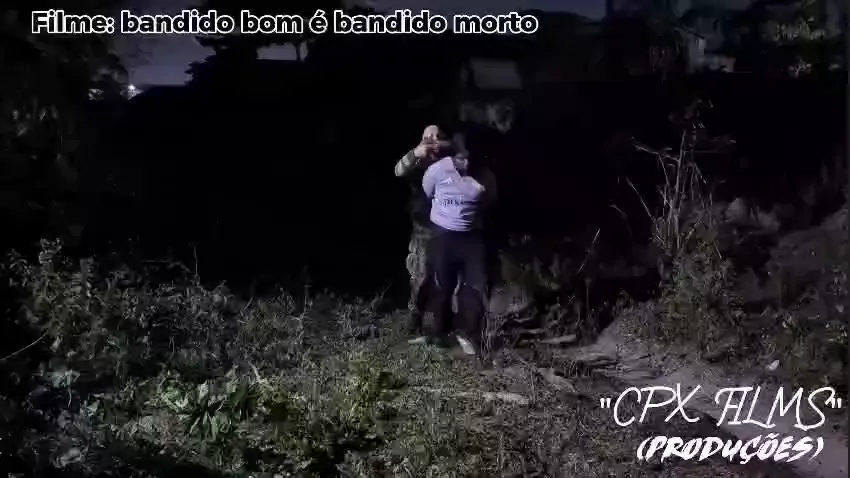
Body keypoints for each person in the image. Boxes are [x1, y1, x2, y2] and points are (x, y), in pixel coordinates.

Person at [422, 133, 497, 356]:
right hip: (442, 234)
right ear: (453, 156)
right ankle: (436, 333)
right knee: (441, 284)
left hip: (470, 237)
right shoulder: (437, 171)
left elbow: (489, 203)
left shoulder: (486, 177)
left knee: (475, 285)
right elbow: (428, 192)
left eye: (471, 159)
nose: (467, 163)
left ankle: (468, 333)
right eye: (462, 158)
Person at [394, 125, 452, 339]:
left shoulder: (451, 162)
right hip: (422, 232)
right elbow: (398, 170)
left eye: (437, 136)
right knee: (419, 277)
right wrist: (416, 153)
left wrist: (444, 146)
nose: (432, 140)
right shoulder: (417, 165)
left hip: (447, 232)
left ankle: (439, 323)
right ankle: (415, 315)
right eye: (428, 137)